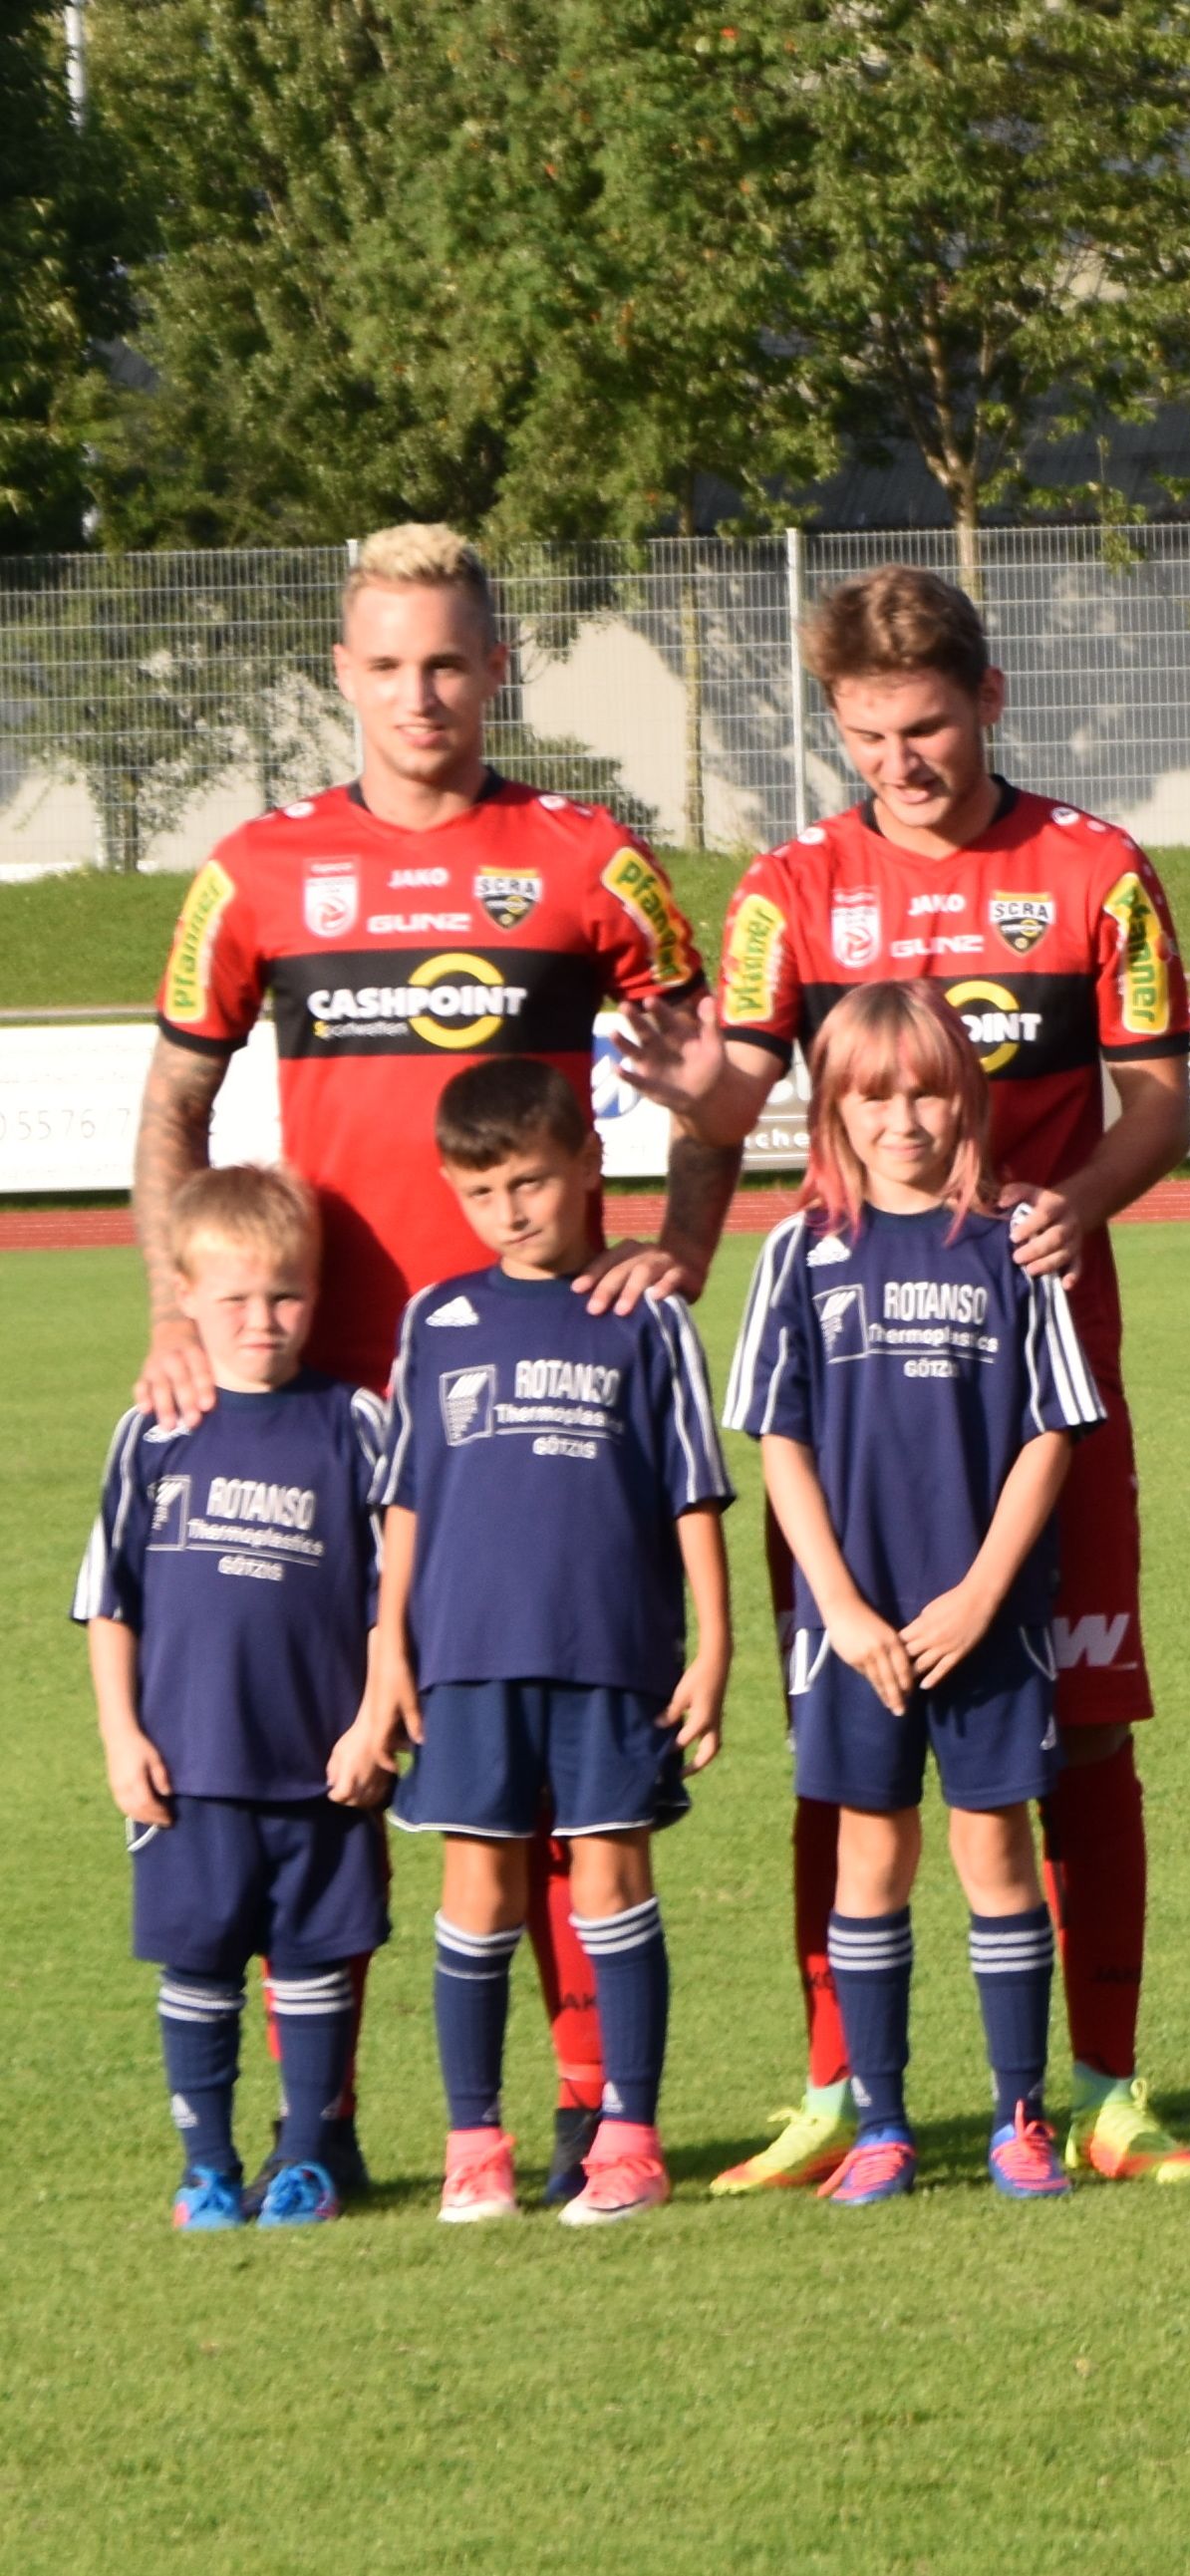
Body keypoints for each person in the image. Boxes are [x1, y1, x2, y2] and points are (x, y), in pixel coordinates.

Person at [134, 521, 720, 2205]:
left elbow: (708, 1072)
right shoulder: (256, 871)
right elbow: (176, 1104)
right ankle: (316, 2122)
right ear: (344, 672)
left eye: (451, 662)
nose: (422, 695)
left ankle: (589, 2108)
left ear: (497, 667)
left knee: (562, 1769)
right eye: (389, 665)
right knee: (316, 1766)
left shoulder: (588, 859)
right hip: (321, 1399)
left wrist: (678, 1241)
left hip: (533, 1397)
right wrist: (179, 1311)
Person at [626, 566, 1190, 2192]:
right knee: (849, 1734)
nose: (903, 763)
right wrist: (695, 1144)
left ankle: (1100, 2089)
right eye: (870, 736)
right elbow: (737, 1099)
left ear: (989, 700)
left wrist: (1073, 1206)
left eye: (929, 728)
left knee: (1082, 1732)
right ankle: (840, 2089)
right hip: (863, 1409)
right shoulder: (790, 889)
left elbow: (1159, 1101)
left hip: (1037, 1386)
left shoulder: (1091, 869)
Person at [721, 982, 1106, 2205]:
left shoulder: (1014, 1240)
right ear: (831, 1110)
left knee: (996, 1846)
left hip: (982, 1618)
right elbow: (778, 1439)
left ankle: (1017, 2116)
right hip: (857, 1628)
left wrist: (984, 1592)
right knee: (870, 1855)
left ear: (968, 1101)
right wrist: (836, 1607)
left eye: (929, 1092)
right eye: (874, 1097)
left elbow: (1053, 1429)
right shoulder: (800, 1252)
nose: (904, 1119)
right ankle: (882, 2121)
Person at [331, 1060, 732, 2226]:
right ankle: (475, 2144)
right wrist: (387, 1654)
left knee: (610, 1880)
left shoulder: (647, 1317)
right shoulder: (436, 1318)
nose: (509, 1210)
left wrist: (713, 1646)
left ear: (589, 1164)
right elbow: (405, 1501)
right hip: (464, 1655)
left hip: (613, 1651)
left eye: (532, 1182)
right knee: (478, 1889)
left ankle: (630, 2137)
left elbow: (693, 1493)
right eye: (482, 1191)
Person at [77, 1166, 392, 2231]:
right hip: (187, 1763)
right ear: (185, 1296)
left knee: (313, 1966)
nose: (263, 1318)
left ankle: (302, 2161)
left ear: (316, 1293)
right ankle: (207, 2166)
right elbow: (109, 1600)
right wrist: (121, 1736)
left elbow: (391, 1597)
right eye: (236, 1297)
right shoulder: (152, 1431)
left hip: (320, 1763)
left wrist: (373, 1720)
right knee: (199, 1966)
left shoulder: (354, 1422)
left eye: (287, 1294)